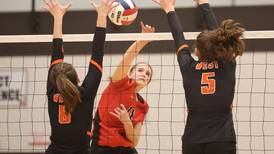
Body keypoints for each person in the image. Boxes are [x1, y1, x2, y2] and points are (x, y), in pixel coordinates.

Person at [152, 0, 245, 154]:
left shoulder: (189, 68)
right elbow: (217, 34)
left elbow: (178, 38)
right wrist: (203, 3)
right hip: (222, 140)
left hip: (192, 140)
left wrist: (169, 8)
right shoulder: (227, 64)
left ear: (196, 51)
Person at [44, 0, 116, 153]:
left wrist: (57, 17)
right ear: (77, 79)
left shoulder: (53, 91)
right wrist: (102, 15)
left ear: (55, 79)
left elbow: (57, 52)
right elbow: (98, 53)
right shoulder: (85, 93)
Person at [91, 22, 155, 154]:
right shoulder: (119, 84)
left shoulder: (143, 106)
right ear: (130, 74)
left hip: (126, 150)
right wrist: (142, 41)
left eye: (147, 74)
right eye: (140, 70)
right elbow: (127, 59)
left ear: (148, 82)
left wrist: (126, 122)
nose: (144, 74)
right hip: (102, 148)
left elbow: (134, 140)